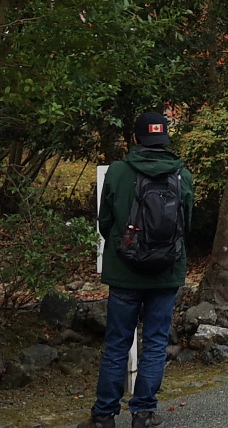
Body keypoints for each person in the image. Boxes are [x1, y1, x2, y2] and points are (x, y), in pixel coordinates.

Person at [82, 112, 194, 428]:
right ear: (165, 139)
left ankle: (104, 415)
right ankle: (143, 413)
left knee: (118, 342)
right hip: (167, 272)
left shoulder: (118, 172)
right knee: (155, 341)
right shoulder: (181, 174)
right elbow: (188, 224)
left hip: (125, 271)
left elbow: (105, 223)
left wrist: (126, 250)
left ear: (135, 139)